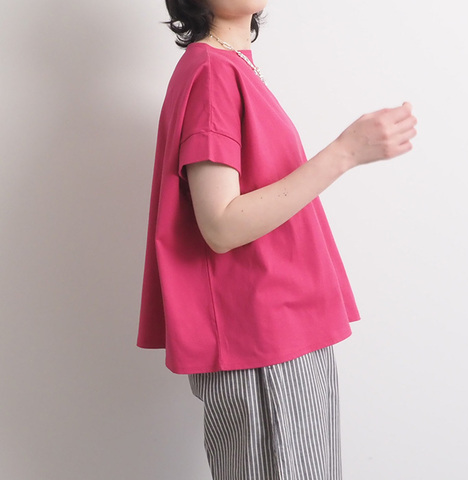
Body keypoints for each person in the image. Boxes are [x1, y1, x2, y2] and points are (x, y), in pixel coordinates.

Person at [137, 0, 417, 478]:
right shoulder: (212, 72)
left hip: (282, 331)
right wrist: (345, 153)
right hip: (262, 338)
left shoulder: (231, 66)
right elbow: (221, 225)